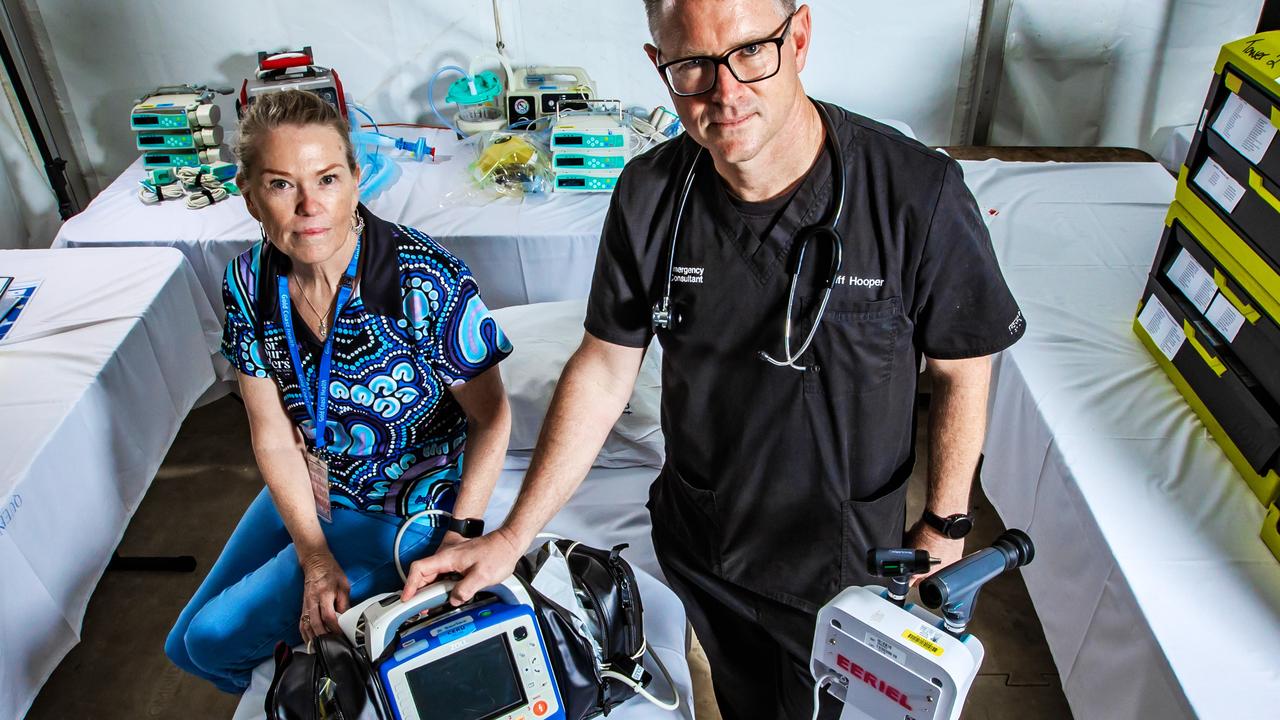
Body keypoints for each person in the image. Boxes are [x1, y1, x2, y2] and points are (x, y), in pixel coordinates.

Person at [401, 1, 1025, 717]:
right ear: (657, 65)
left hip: (842, 564)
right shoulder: (650, 195)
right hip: (705, 546)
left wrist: (945, 528)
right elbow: (605, 368)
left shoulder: (915, 193)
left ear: (800, 38)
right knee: (746, 701)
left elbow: (962, 368)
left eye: (751, 52)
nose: (725, 92)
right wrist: (513, 535)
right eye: (692, 65)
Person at [165, 90, 513, 693]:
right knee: (182, 647)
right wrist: (313, 556)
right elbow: (272, 434)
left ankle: (318, 690)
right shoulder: (248, 281)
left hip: (398, 514)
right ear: (250, 197)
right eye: (280, 185)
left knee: (209, 640)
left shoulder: (421, 278)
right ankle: (298, 682)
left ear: (356, 178)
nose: (309, 206)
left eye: (326, 178)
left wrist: (464, 530)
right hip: (314, 483)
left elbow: (493, 417)